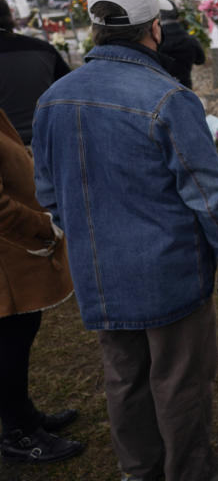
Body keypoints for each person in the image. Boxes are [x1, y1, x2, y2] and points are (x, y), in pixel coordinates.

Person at [31, 0, 218, 481]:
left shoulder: (54, 99)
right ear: (153, 30)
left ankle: (139, 470)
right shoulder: (167, 97)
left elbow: (49, 193)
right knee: (179, 380)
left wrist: (89, 237)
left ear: (96, 29)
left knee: (124, 377)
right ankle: (192, 470)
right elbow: (210, 194)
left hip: (98, 273)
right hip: (167, 271)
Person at [0, 108, 83, 465]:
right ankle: (18, 432)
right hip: (8, 255)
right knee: (8, 345)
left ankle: (24, 415)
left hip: (13, 254)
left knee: (18, 336)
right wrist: (42, 226)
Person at [0, 0, 71, 146]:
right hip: (49, 140)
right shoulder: (44, 49)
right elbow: (71, 90)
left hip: (8, 151)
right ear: (9, 15)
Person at [158, 0, 205, 88]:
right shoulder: (190, 40)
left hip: (161, 89)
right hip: (184, 87)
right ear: (177, 15)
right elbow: (200, 60)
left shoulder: (155, 41)